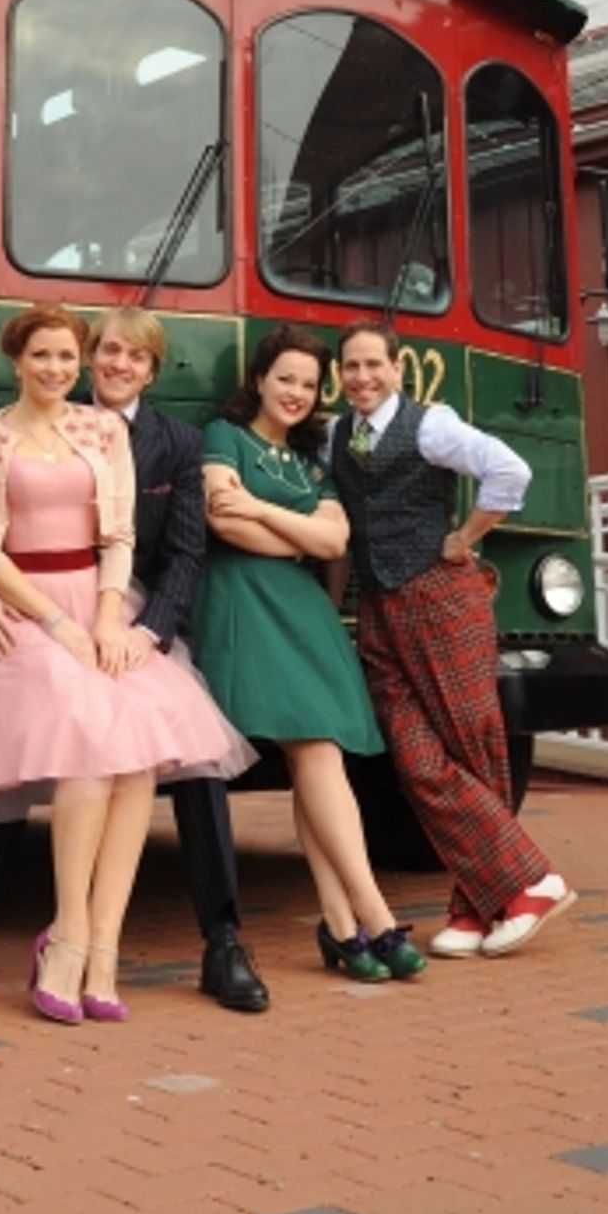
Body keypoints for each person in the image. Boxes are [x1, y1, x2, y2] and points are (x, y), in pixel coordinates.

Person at [0, 306, 270, 1015]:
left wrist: (135, 628)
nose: (107, 365)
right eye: (100, 350)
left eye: (129, 356)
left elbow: (171, 549)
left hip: (127, 610)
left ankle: (199, 938)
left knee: (154, 744)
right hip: (28, 605)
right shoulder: (9, 432)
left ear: (150, 367)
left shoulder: (156, 437)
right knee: (68, 739)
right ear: (27, 359)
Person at [330, 321, 575, 959]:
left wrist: (465, 538)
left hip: (441, 598)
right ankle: (492, 897)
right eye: (351, 367)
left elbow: (509, 470)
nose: (362, 378)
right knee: (412, 760)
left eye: (373, 366)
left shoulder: (431, 425)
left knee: (473, 747)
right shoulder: (338, 435)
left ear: (396, 368)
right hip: (380, 609)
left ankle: (511, 892)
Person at [193, 326, 427, 983]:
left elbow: (334, 540)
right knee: (317, 751)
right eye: (285, 378)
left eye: (307, 383)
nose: (296, 392)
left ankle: (340, 922)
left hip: (303, 610)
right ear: (260, 379)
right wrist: (296, 532)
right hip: (245, 603)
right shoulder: (222, 436)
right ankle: (375, 914)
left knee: (314, 755)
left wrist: (269, 515)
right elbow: (223, 520)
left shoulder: (311, 460)